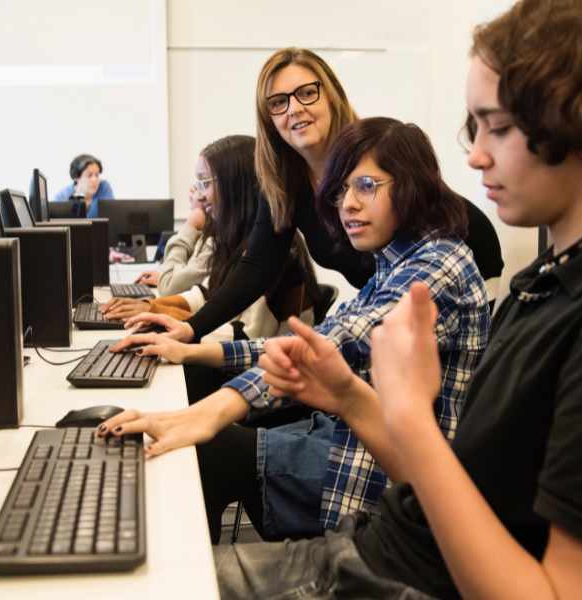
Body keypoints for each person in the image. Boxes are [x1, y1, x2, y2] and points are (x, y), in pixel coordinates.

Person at [186, 0, 582, 598]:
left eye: (499, 126)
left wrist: (407, 414)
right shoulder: (545, 284)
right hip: (381, 547)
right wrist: (353, 397)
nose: (476, 155)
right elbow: (466, 488)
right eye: (474, 128)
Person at [98, 117, 491, 545]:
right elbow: (316, 338)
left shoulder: (433, 268)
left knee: (205, 453)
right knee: (202, 441)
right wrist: (195, 352)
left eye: (365, 186)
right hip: (345, 435)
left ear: (413, 184)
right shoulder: (395, 260)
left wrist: (204, 414)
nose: (347, 205)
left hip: (384, 474)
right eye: (341, 190)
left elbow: (328, 347)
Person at [124, 47, 503, 344]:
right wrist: (192, 329)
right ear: (269, 117)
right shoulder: (284, 182)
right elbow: (256, 269)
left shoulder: (373, 154)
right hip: (378, 312)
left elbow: (407, 269)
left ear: (331, 95)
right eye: (279, 102)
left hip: (465, 262)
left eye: (307, 93)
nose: (295, 109)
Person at [101, 135, 319, 342]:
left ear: (237, 187)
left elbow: (244, 335)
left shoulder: (270, 251)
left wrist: (158, 313)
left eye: (206, 183)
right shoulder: (231, 238)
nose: (199, 195)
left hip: (264, 370)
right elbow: (204, 297)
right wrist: (151, 305)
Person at [53, 153, 114, 218]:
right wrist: (78, 197)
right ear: (76, 178)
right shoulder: (62, 196)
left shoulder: (104, 187)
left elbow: (109, 216)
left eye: (97, 175)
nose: (95, 180)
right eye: (89, 175)